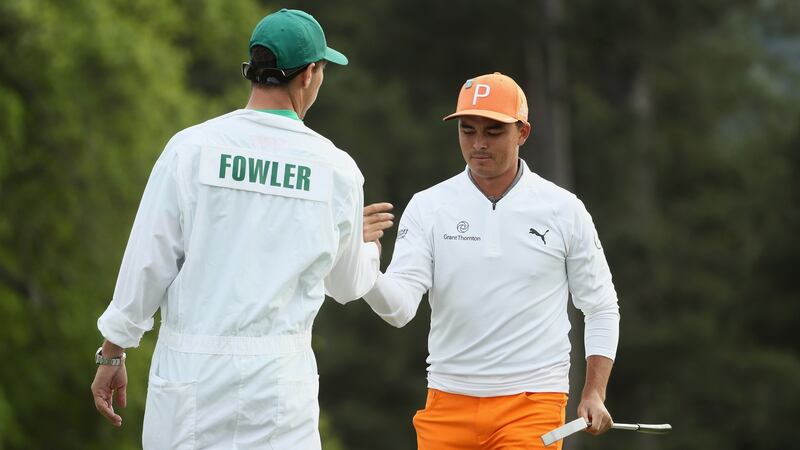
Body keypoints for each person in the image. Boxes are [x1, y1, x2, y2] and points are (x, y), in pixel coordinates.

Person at [90, 9, 392, 449]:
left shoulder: (191, 149)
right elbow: (346, 285)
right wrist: (364, 247)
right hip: (278, 384)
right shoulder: (335, 169)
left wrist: (112, 351)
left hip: (191, 374)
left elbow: (148, 260)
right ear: (308, 75)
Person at [362, 72, 620, 450]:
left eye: (493, 132)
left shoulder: (563, 209)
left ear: (523, 133)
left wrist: (594, 393)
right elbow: (399, 309)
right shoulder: (429, 206)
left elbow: (600, 306)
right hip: (447, 401)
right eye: (468, 131)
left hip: (533, 403)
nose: (478, 144)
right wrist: (364, 261)